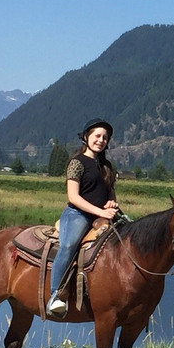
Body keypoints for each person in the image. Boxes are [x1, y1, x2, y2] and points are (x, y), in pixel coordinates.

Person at [46, 118, 120, 317]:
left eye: (105, 137)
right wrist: (100, 212)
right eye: (97, 136)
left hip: (102, 215)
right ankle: (55, 295)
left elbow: (110, 193)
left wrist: (111, 203)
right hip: (77, 215)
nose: (101, 140)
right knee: (68, 245)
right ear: (86, 137)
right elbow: (73, 197)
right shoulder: (77, 163)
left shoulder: (106, 165)